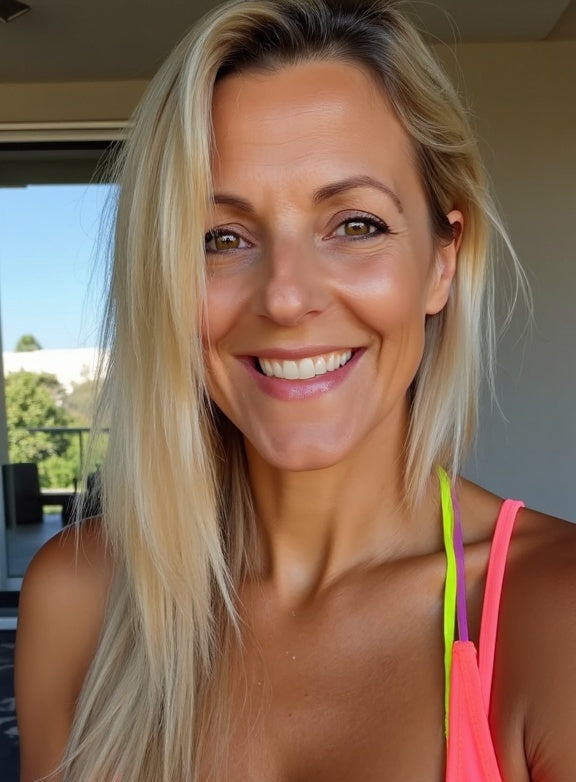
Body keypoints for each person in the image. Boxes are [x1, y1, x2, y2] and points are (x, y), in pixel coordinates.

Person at [14, 1, 576, 780]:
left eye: (355, 225)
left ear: (443, 261)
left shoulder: (555, 616)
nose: (285, 297)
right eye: (221, 238)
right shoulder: (79, 600)